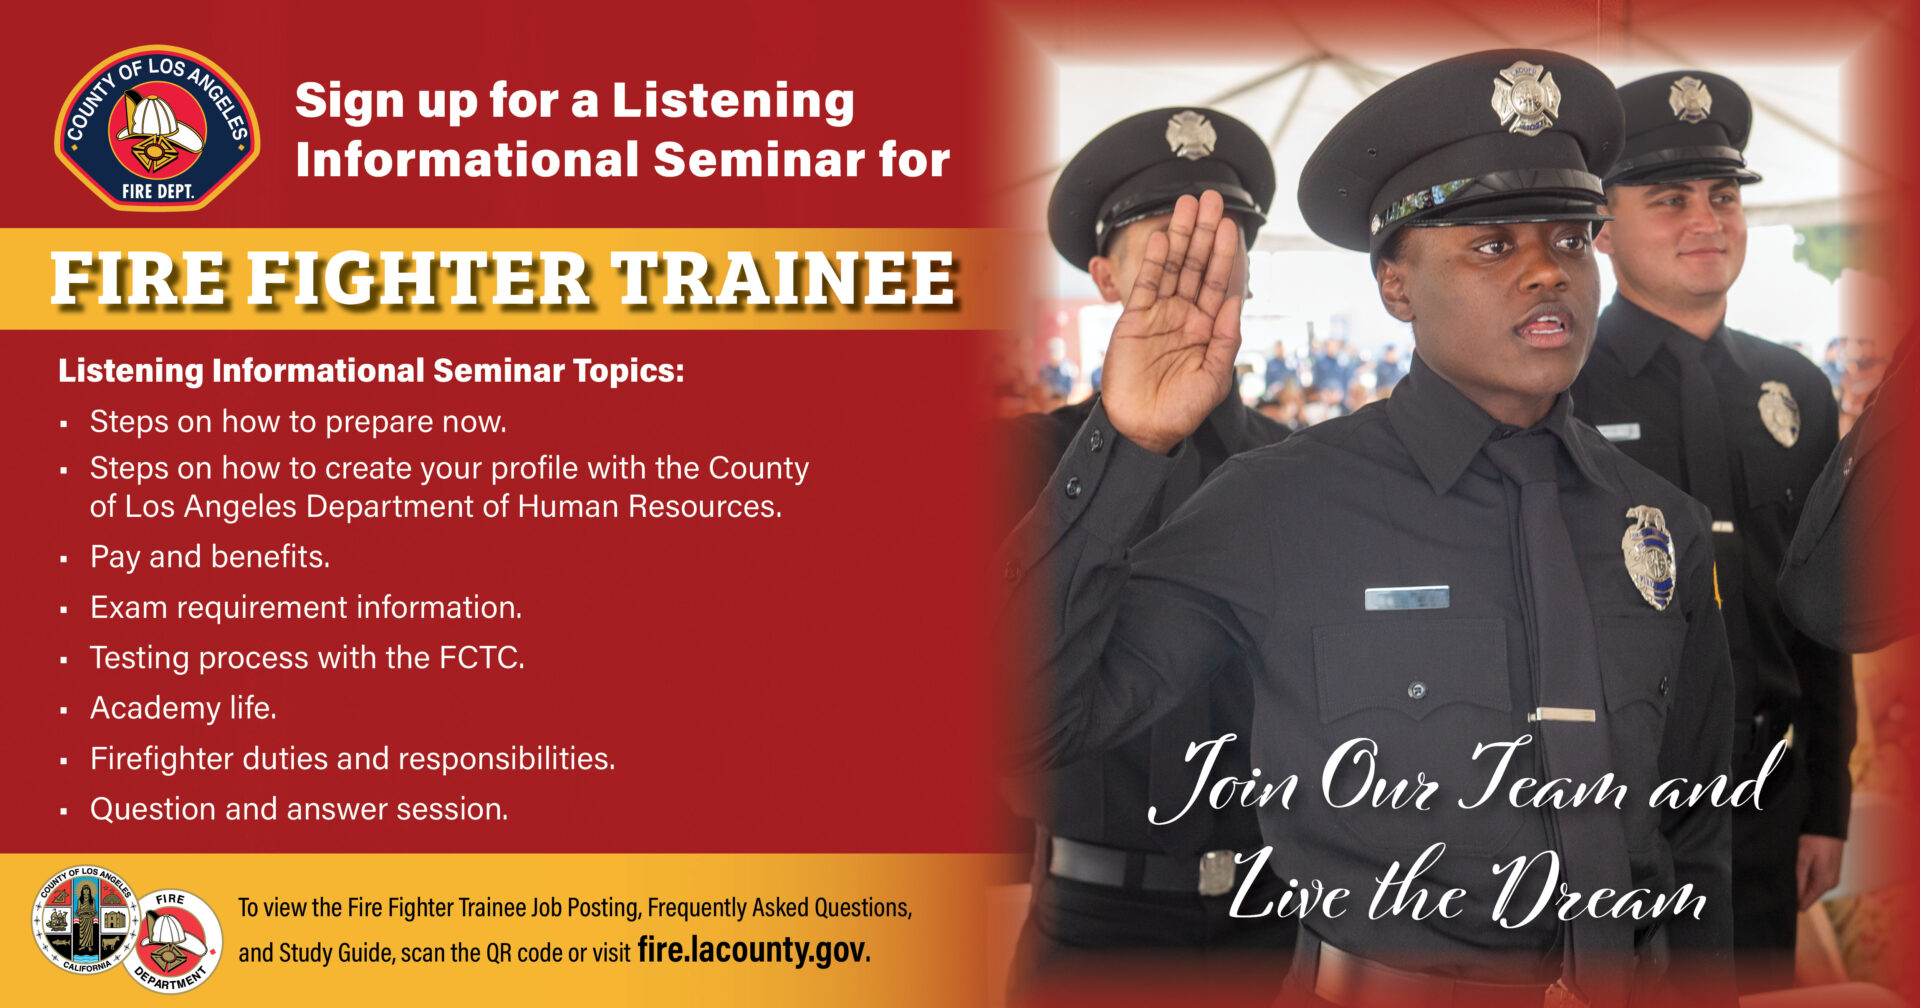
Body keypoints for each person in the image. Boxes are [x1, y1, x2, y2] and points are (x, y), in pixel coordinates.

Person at [999, 50, 1734, 1007]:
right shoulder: (1280, 503)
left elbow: (1696, 828)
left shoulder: (1659, 524)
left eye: (1568, 238)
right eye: (1491, 245)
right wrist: (1131, 443)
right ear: (1394, 285)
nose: (1546, 271)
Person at [1566, 70, 1854, 994]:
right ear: (1603, 228)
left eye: (1723, 196)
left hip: (1769, 799)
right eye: (1671, 199)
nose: (1708, 220)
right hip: (1619, 803)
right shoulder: (1557, 392)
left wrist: (1829, 807)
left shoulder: (1795, 391)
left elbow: (1821, 609)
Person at [1000, 106, 1293, 996]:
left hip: (1282, 924)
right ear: (1101, 275)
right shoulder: (1017, 460)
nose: (1199, 258)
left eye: (1222, 235)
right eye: (1165, 242)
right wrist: (1128, 444)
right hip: (1094, 930)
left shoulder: (1304, 470)